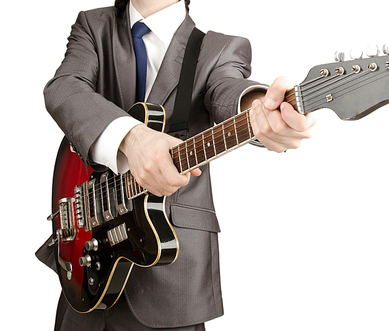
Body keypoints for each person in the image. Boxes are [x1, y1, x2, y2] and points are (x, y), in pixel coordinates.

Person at [38, 0, 317, 330]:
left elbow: (229, 91)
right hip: (86, 270)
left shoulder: (220, 48)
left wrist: (261, 110)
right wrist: (133, 138)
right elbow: (65, 88)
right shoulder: (93, 26)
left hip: (171, 283)